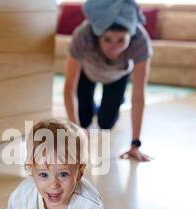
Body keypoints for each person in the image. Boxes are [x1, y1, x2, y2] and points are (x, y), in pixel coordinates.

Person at [64, 0, 153, 161]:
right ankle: (92, 108)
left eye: (121, 40)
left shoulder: (140, 41)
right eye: (107, 40)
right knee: (83, 120)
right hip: (88, 73)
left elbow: (139, 96)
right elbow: (69, 88)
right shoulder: (83, 36)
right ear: (97, 36)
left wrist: (135, 144)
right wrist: (76, 132)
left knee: (106, 124)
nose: (114, 48)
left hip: (118, 76)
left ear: (130, 37)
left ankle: (114, 102)